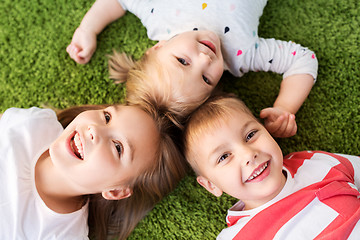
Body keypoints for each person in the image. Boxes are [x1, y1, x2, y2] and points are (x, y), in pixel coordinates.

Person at [67, 0, 318, 138]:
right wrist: (285, 107)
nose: (204, 58)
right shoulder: (242, 55)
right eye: (207, 79)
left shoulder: (157, 15)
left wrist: (88, 29)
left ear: (156, 48)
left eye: (183, 61)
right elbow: (303, 60)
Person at [183, 94, 360, 239]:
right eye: (224, 157)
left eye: (251, 134)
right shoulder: (235, 237)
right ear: (211, 185)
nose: (248, 154)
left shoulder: (314, 162)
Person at [0, 103, 187, 240]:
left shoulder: (63, 236)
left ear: (115, 191)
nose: (94, 130)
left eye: (118, 147)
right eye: (107, 117)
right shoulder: (33, 124)